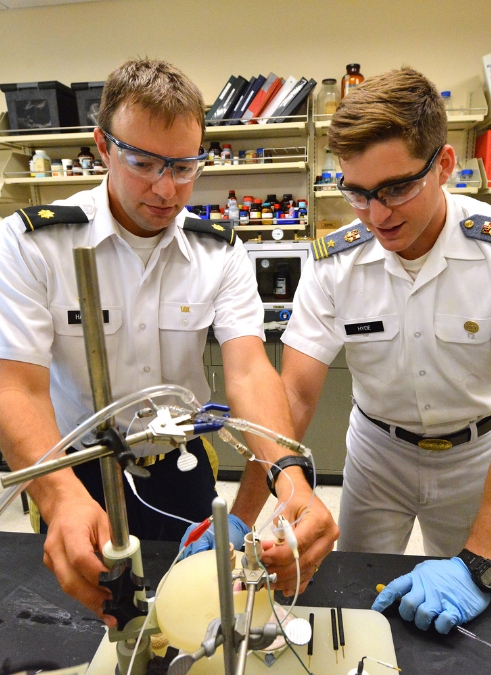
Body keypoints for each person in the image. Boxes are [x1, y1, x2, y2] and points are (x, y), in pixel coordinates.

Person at [0, 58, 338, 627]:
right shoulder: (34, 244)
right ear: (102, 147)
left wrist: (290, 477)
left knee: (198, 614)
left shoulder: (219, 251)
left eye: (185, 166)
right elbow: (16, 387)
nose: (166, 188)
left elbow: (251, 372)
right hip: (77, 470)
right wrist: (59, 498)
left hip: (182, 466)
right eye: (144, 163)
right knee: (93, 623)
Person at [280, 66, 491, 633]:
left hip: (477, 454)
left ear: (444, 165)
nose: (377, 215)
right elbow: (293, 397)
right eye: (357, 193)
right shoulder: (334, 263)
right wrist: (259, 506)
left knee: (467, 614)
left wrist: (483, 564)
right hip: (378, 452)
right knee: (354, 591)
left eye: (397, 188)